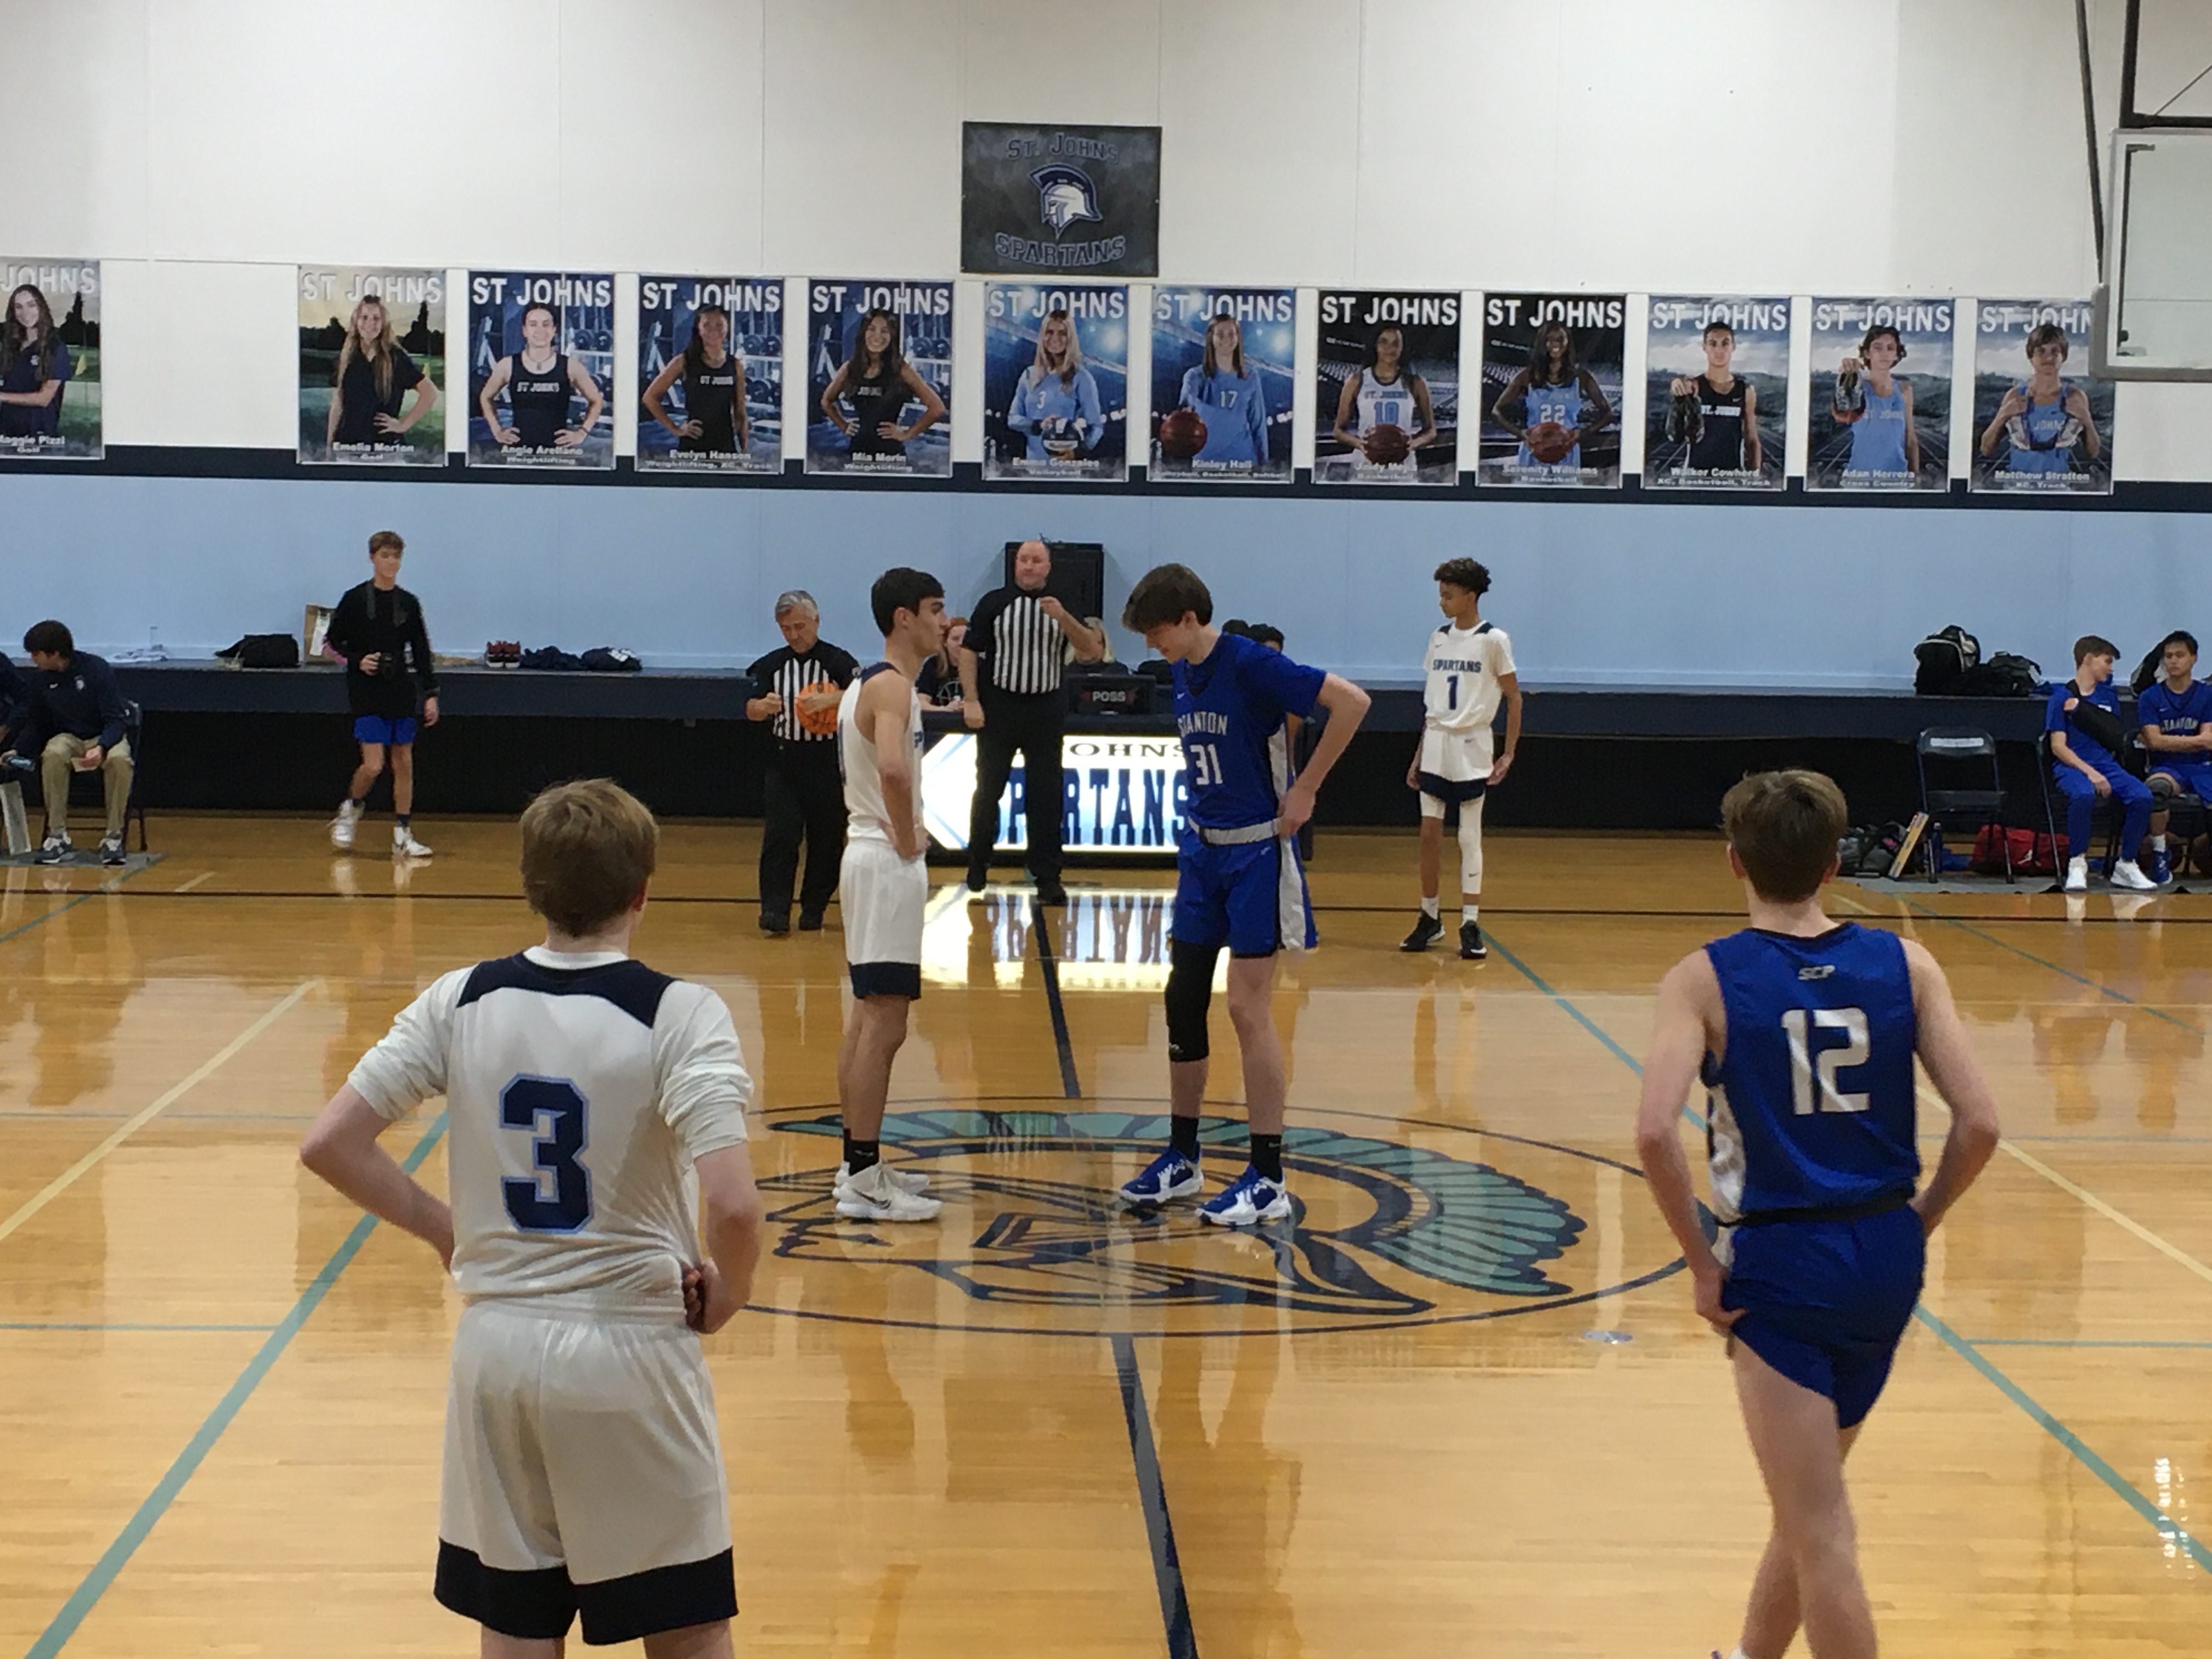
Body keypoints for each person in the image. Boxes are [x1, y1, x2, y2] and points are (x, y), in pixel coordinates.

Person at [299, 778, 765, 1657]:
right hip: (630, 1352)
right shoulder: (679, 1012)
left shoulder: (459, 999)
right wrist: (728, 1293)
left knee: (515, 1624)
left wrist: (447, 1230)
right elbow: (735, 1204)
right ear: (644, 890)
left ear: (532, 887)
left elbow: (331, 1143)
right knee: (686, 1624)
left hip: (496, 1352)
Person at [1634, 769, 1999, 1659]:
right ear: (1835, 862)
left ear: (1734, 861)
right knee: (1808, 1504)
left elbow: (1653, 1132)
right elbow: (1981, 1123)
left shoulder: (1702, 979)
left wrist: (1702, 1264)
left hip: (1786, 1260)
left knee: (1820, 1528)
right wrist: (1918, 1222)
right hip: (1885, 1251)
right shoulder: (1908, 964)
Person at [1114, 563, 1372, 1225]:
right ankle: (1183, 1156)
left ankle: (1268, 1176)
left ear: (1189, 618)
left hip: (1257, 852)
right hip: (1202, 850)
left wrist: (1307, 787)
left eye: (1157, 632)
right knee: (1183, 1000)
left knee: (1246, 1008)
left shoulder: (1251, 662)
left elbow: (1352, 702)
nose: (1153, 645)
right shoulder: (1182, 669)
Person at [832, 567, 950, 1223]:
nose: (944, 621)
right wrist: (908, 836)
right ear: (904, 618)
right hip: (883, 862)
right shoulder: (893, 686)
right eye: (935, 609)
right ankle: (862, 1177)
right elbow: (894, 770)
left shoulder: (865, 683)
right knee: (885, 1022)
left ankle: (858, 1162)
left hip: (866, 857)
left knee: (865, 1019)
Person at [959, 539, 1105, 904]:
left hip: (1045, 710)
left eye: (1036, 560)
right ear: (1015, 564)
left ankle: (1048, 877)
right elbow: (969, 651)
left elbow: (1092, 651)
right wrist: (972, 699)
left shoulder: (1064, 602)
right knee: (988, 790)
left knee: (1046, 798)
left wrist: (1063, 618)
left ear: (1048, 567)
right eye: (1023, 559)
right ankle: (977, 864)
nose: (1028, 566)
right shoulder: (993, 603)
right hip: (1000, 708)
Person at [1400, 558, 1520, 960]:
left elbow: (1514, 697)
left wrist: (1509, 752)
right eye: (1441, 595)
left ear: (1470, 596)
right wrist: (1418, 754)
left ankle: (1470, 922)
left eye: (1449, 595)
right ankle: (1429, 916)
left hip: (1472, 744)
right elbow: (1431, 703)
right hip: (1437, 743)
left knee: (1469, 837)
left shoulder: (1494, 640)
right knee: (1429, 835)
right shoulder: (1438, 638)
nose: (1442, 602)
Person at [744, 591, 856, 934]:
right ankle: (774, 911)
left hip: (827, 761)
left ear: (816, 621)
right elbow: (750, 708)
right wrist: (762, 707)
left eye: (799, 626)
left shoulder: (837, 661)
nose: (793, 635)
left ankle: (814, 908)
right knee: (781, 837)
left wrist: (833, 698)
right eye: (785, 629)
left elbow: (864, 694)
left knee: (827, 838)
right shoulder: (772, 665)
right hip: (785, 761)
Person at [328, 531, 441, 859]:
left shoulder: (408, 603)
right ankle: (351, 807)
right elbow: (332, 642)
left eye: (396, 557)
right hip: (367, 691)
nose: (391, 562)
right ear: (373, 559)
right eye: (385, 556)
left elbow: (421, 650)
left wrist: (430, 693)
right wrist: (357, 661)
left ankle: (403, 832)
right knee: (374, 765)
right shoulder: (354, 599)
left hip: (400, 689)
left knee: (403, 761)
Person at [7, 620, 132, 865]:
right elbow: (38, 724)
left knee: (120, 760)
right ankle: (58, 836)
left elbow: (116, 720)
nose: (32, 659)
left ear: (54, 654)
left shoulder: (96, 669)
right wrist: (19, 749)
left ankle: (114, 838)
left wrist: (102, 747)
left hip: (105, 735)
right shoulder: (41, 680)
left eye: (36, 654)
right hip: (70, 738)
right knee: (53, 753)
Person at [2047, 634, 2154, 893]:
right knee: (2083, 795)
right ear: (2088, 659)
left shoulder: (2108, 697)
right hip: (2072, 766)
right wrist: (2091, 773)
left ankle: (2126, 864)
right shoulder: (2060, 697)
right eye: (2107, 661)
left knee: (2142, 796)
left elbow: (2115, 735)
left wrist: (2100, 770)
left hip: (2106, 765)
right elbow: (2058, 746)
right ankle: (2077, 863)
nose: (2110, 668)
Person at [2134, 629, 2212, 884]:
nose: (2173, 661)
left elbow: (2209, 740)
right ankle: (2159, 854)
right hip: (2167, 767)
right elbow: (2155, 741)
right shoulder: (2150, 697)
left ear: (2194, 658)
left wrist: (2172, 742)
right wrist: (2194, 742)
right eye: (2168, 656)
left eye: (2180, 655)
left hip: (2203, 766)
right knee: (2156, 790)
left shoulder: (2207, 695)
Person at [820, 307, 944, 465]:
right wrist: (843, 426)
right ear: (864, 333)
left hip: (891, 456)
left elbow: (937, 408)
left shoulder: (902, 370)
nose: (877, 336)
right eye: (872, 329)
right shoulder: (850, 368)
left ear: (892, 336)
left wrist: (907, 434)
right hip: (857, 453)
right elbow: (826, 401)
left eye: (885, 331)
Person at [1979, 321, 2101, 480]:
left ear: (2063, 356)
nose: (2048, 358)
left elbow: (2093, 453)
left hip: (2058, 488)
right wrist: (2002, 416)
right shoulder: (2015, 396)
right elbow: (1986, 449)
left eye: (2055, 351)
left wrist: (2087, 420)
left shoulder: (2075, 397)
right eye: (2041, 351)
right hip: (2018, 487)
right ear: (2031, 356)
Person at [478, 301, 603, 453]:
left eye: (546, 324)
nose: (540, 330)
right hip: (518, 453)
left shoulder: (571, 366)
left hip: (559, 454)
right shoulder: (507, 365)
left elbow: (597, 401)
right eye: (533, 324)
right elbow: (485, 397)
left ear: (554, 329)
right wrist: (497, 430)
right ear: (524, 330)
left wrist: (582, 433)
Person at [326, 291, 437, 458]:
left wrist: (402, 425)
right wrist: (329, 446)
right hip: (348, 448)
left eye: (376, 318)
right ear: (356, 321)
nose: (370, 324)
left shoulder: (396, 358)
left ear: (384, 323)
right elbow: (338, 404)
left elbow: (430, 393)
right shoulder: (347, 358)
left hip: (385, 449)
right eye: (364, 317)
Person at [1494, 319, 1612, 475]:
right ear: (1542, 343)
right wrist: (1520, 434)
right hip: (1534, 453)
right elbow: (1497, 411)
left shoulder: (1580, 376)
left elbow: (1607, 414)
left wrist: (1582, 434)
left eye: (1560, 339)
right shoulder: (1528, 375)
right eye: (1549, 340)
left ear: (1568, 343)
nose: (1555, 344)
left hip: (1566, 452)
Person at [642, 302, 748, 458]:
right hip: (693, 447)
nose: (713, 330)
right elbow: (650, 398)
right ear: (698, 328)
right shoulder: (684, 361)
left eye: (719, 324)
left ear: (728, 327)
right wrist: (676, 429)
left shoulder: (735, 365)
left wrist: (744, 453)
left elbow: (740, 413)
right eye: (707, 325)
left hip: (726, 448)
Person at [1329, 324, 1436, 475]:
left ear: (1402, 347)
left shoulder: (1416, 383)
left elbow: (1431, 431)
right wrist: (1361, 444)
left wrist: (1412, 444)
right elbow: (1338, 431)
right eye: (1384, 342)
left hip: (1403, 468)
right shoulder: (1357, 381)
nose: (1389, 348)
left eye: (1395, 343)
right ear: (1375, 346)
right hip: (1365, 467)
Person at [1006, 309, 1103, 463]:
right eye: (1050, 332)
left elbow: (1096, 427)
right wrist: (1039, 425)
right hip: (1032, 468)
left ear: (1071, 338)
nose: (1055, 338)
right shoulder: (1029, 375)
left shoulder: (1081, 377)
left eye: (1063, 333)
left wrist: (1077, 452)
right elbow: (1013, 419)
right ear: (1042, 336)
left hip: (1067, 470)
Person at [1669, 320, 1763, 478]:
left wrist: (1755, 475)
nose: (1719, 350)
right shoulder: (1694, 386)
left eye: (1725, 344)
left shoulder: (1746, 391)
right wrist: (1676, 384)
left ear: (1733, 347)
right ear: (1704, 347)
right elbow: (1680, 386)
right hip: (1695, 476)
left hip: (1731, 476)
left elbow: (1752, 439)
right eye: (1713, 344)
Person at [1175, 313, 1269, 469]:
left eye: (1232, 334)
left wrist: (1264, 462)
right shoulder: (1195, 376)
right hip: (1205, 463)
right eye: (1220, 334)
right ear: (1211, 339)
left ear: (1238, 338)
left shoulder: (1251, 377)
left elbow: (1258, 424)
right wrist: (1185, 411)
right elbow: (1186, 404)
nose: (1226, 339)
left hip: (1243, 463)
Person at [1831, 324, 1917, 484]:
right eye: (1878, 348)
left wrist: (1916, 480)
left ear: (1897, 355)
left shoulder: (1905, 390)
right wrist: (1846, 374)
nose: (1884, 353)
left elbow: (1910, 439)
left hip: (1896, 478)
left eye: (1890, 348)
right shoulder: (1858, 387)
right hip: (1859, 478)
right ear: (1867, 353)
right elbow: (1841, 413)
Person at [0, 284, 72, 446]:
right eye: (19, 307)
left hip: (38, 435)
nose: (25, 312)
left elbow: (44, 398)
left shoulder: (55, 347)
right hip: (7, 432)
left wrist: (2, 396)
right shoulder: (12, 346)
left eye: (31, 305)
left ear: (41, 307)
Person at [916, 616, 968, 708]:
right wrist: (945, 710)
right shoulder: (934, 664)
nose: (961, 643)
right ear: (945, 642)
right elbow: (921, 702)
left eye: (965, 639)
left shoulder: (981, 666)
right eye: (956, 639)